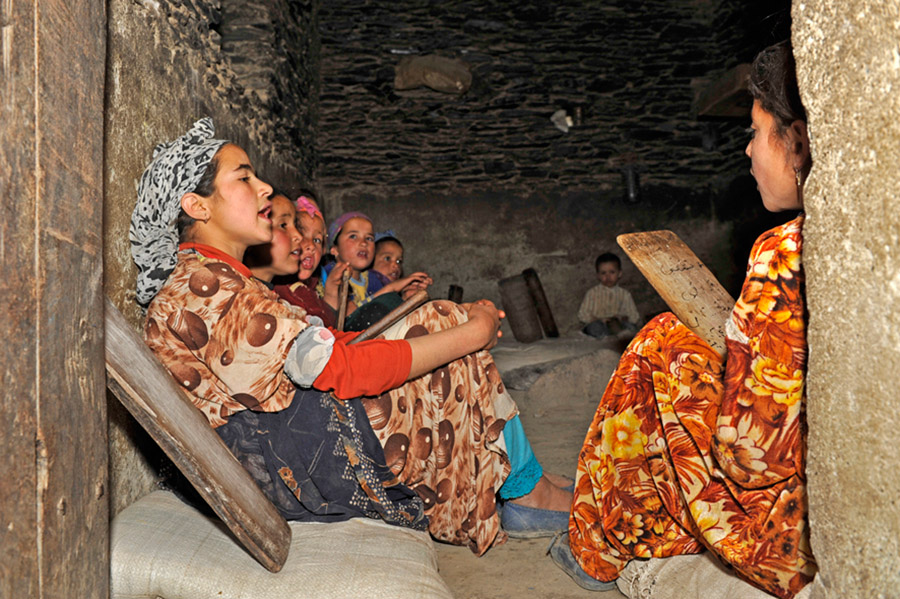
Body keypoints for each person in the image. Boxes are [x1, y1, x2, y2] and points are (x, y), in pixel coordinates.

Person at [129, 120, 571, 556]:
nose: (264, 188)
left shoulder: (214, 278)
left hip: (294, 446)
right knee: (440, 325)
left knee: (436, 323)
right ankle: (526, 491)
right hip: (299, 466)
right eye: (244, 177)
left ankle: (524, 482)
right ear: (197, 206)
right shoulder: (204, 286)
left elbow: (322, 345)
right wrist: (473, 333)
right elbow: (339, 369)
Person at [548, 40, 816, 599]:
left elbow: (751, 457)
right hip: (804, 486)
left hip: (787, 533)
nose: (746, 152)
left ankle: (601, 541)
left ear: (795, 143)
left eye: (753, 132)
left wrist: (725, 374)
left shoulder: (783, 252)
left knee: (659, 343)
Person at [320, 212, 432, 312]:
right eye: (353, 236)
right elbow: (348, 317)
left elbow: (382, 316)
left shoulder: (374, 279)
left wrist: (406, 298)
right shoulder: (328, 276)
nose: (364, 243)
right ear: (334, 249)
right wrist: (390, 289)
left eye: (369, 238)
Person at [577, 252, 640, 341]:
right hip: (599, 323)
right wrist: (598, 319)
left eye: (612, 272)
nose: (608, 276)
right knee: (593, 328)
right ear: (598, 275)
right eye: (603, 273)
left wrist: (622, 318)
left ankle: (620, 335)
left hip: (618, 324)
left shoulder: (625, 294)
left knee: (631, 327)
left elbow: (634, 316)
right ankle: (606, 337)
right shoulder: (592, 293)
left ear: (619, 274)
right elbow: (582, 314)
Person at [366, 230, 405, 295]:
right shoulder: (370, 280)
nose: (395, 265)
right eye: (387, 258)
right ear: (370, 260)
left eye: (399, 261)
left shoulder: (395, 288)